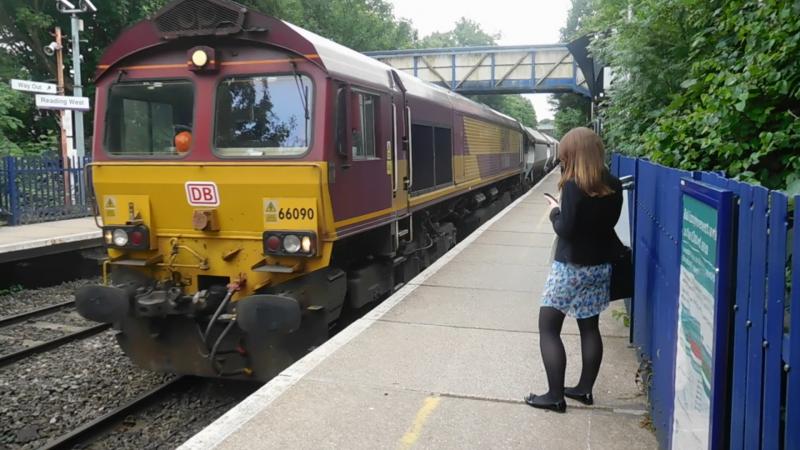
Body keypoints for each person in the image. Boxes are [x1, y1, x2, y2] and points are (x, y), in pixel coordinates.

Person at [524, 127, 623, 413]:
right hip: (600, 266)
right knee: (589, 327)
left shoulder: (572, 186)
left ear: (573, 154)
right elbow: (609, 223)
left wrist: (555, 211)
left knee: (548, 328)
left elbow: (565, 229)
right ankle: (584, 390)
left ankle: (555, 396)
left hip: (570, 267)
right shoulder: (614, 184)